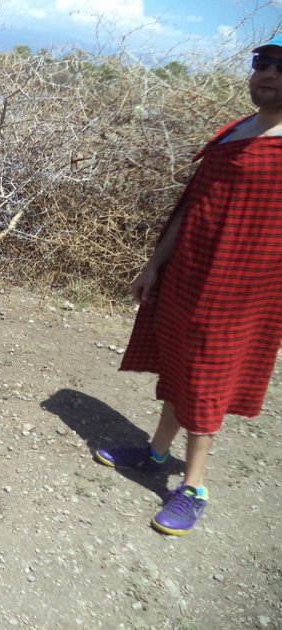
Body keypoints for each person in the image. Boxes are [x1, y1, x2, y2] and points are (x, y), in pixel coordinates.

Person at [95, 35, 282, 536]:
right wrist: (154, 264)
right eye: (263, 61)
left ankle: (195, 487)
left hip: (244, 293)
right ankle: (157, 454)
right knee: (181, 366)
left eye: (281, 66)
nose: (268, 72)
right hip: (188, 277)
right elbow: (190, 206)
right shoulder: (234, 132)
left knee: (207, 380)